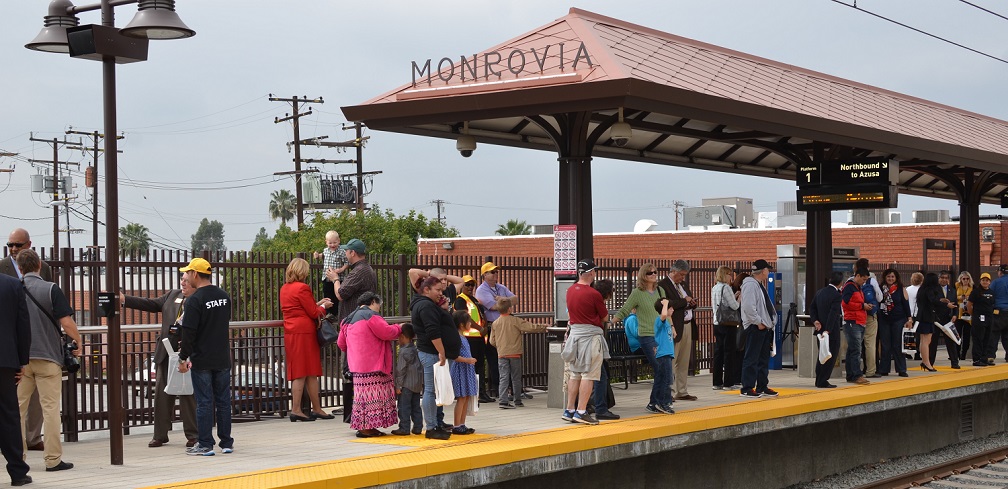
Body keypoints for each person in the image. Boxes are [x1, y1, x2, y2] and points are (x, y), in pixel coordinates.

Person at [17, 248, 81, 471]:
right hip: (48, 358)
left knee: (18, 409)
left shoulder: (14, 289)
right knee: (51, 409)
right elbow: (67, 323)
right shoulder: (51, 289)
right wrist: (78, 342)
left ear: (20, 268)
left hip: (20, 361)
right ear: (38, 266)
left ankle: (18, 459)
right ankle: (53, 460)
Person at [120, 275, 199, 447]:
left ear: (195, 280)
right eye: (181, 279)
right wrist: (125, 299)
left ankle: (193, 436)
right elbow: (151, 303)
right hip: (166, 353)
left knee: (188, 396)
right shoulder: (173, 295)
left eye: (186, 280)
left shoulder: (199, 298)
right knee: (162, 396)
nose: (182, 283)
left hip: (188, 354)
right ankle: (160, 435)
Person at [177, 257, 234, 456]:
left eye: (187, 273)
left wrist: (183, 359)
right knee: (223, 401)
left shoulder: (194, 300)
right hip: (222, 357)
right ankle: (226, 442)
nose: (185, 278)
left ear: (195, 274)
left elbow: (189, 333)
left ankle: (205, 444)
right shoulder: (224, 296)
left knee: (204, 402)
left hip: (201, 359)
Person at [1, 228, 49, 453]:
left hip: (38, 339)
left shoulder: (44, 269)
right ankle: (14, 442)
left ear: (28, 244)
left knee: (38, 397)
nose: (13, 249)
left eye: (17, 245)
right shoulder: (2, 267)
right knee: (15, 397)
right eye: (10, 245)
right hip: (11, 341)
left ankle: (33, 437)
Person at [337, 292, 401, 438]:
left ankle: (367, 427)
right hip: (374, 364)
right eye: (379, 304)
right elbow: (387, 332)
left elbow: (341, 343)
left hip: (356, 367)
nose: (379, 308)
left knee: (363, 398)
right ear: (373, 302)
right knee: (374, 397)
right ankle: (367, 428)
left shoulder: (347, 319)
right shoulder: (372, 316)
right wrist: (399, 327)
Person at [279, 258, 334, 422]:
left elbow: (300, 307)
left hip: (292, 331)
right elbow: (313, 313)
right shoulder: (303, 287)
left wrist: (318, 303)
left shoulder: (285, 288)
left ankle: (315, 409)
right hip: (304, 333)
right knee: (305, 372)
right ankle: (298, 409)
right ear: (302, 272)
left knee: (306, 371)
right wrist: (324, 307)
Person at [613, 264, 673, 413]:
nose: (653, 274)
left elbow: (666, 312)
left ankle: (657, 402)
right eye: (649, 273)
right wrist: (610, 322)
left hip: (661, 335)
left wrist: (672, 328)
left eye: (655, 272)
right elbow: (625, 309)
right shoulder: (637, 293)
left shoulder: (661, 290)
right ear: (643, 276)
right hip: (646, 336)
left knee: (665, 368)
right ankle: (660, 402)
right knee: (661, 368)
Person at [329, 238, 377, 421]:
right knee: (356, 368)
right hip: (361, 324)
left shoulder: (359, 271)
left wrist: (335, 279)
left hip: (353, 326)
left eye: (347, 252)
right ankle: (355, 409)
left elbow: (341, 294)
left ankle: (351, 411)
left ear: (353, 253)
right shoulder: (367, 270)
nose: (345, 254)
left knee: (349, 368)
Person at [411, 276, 462, 440]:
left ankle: (435, 424)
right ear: (427, 289)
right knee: (431, 391)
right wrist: (441, 351)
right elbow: (433, 331)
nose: (441, 293)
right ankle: (431, 426)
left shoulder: (427, 304)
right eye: (438, 290)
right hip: (431, 352)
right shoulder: (425, 306)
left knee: (433, 390)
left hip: (433, 352)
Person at [560, 259, 609, 425]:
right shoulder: (594, 294)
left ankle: (569, 409)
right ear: (592, 273)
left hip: (575, 336)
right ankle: (581, 411)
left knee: (575, 374)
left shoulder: (570, 290)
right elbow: (604, 317)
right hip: (591, 337)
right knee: (589, 375)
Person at [0, 272, 31, 486]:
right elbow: (23, 326)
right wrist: (21, 361)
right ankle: (18, 472)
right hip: (5, 360)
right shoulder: (12, 285)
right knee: (9, 416)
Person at [488, 297, 546, 410]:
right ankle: (517, 400)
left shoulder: (495, 323)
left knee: (503, 377)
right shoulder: (515, 321)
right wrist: (544, 327)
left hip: (502, 354)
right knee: (516, 377)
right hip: (515, 354)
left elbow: (492, 341)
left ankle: (503, 401)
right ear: (509, 309)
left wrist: (500, 347)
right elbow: (530, 327)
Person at [474, 261, 516, 399]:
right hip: (493, 326)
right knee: (494, 358)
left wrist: (502, 299)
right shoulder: (481, 290)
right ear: (484, 275)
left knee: (508, 356)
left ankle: (509, 388)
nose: (495, 274)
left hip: (505, 326)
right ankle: (499, 389)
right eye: (492, 272)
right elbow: (494, 307)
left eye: (496, 271)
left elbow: (515, 299)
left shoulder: (501, 287)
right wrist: (504, 302)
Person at [658, 260, 698, 401]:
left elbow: (687, 299)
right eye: (681, 275)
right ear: (673, 271)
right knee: (671, 359)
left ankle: (682, 391)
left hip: (687, 324)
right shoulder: (662, 285)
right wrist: (684, 301)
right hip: (674, 325)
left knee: (684, 360)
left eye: (684, 275)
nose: (683, 278)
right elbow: (665, 303)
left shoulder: (683, 285)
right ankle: (668, 391)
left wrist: (692, 302)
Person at [739, 259, 779, 398]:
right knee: (752, 358)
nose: (769, 272)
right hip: (755, 327)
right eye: (768, 269)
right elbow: (748, 307)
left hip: (763, 327)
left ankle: (762, 386)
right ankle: (747, 388)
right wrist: (758, 322)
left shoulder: (758, 284)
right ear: (762, 271)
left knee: (762, 358)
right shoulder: (750, 285)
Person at [453, 275, 493, 403]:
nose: (470, 287)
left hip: (479, 338)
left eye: (472, 285)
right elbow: (464, 317)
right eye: (467, 284)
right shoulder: (460, 300)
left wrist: (485, 327)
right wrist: (480, 328)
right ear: (462, 286)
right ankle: (474, 393)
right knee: (472, 366)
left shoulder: (474, 300)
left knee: (480, 365)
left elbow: (482, 316)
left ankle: (481, 392)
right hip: (468, 337)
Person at [590, 278, 619, 420]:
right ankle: (600, 408)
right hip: (595, 342)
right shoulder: (597, 300)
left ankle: (581, 406)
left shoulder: (585, 298)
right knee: (600, 376)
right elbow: (605, 317)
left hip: (581, 341)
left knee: (583, 376)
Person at [810, 272, 844, 388]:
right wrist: (828, 330)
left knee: (822, 354)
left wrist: (815, 321)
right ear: (840, 282)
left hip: (819, 329)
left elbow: (812, 307)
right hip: (830, 331)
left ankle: (819, 379)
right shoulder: (836, 295)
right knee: (830, 355)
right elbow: (833, 314)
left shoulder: (820, 292)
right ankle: (823, 380)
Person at [710, 266, 740, 390]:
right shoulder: (726, 287)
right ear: (725, 275)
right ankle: (728, 382)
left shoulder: (715, 287)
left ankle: (717, 382)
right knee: (729, 353)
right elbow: (734, 306)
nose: (731, 277)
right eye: (729, 275)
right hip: (728, 324)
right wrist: (738, 298)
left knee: (718, 353)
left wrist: (733, 295)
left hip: (717, 322)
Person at [877, 269, 911, 377]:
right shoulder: (880, 288)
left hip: (899, 319)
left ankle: (901, 369)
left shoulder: (901, 288)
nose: (890, 279)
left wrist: (909, 319)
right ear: (885, 277)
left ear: (896, 278)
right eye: (888, 277)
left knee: (898, 344)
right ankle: (884, 369)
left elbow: (906, 304)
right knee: (885, 345)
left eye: (892, 277)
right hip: (884, 320)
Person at [449, 311, 478, 435]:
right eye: (468, 321)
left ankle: (462, 424)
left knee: (466, 396)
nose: (470, 323)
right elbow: (454, 356)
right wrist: (467, 360)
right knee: (461, 397)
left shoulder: (462, 337)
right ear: (461, 324)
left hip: (466, 368)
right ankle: (457, 425)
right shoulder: (457, 338)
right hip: (461, 368)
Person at [391, 323, 423, 436]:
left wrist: (398, 386)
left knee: (404, 407)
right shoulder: (416, 349)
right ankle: (418, 427)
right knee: (416, 407)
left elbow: (401, 370)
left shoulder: (403, 352)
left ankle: (404, 428)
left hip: (405, 384)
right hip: (416, 383)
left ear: (403, 336)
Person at [842, 268, 872, 385]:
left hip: (859, 320)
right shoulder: (850, 287)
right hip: (852, 321)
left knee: (852, 349)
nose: (864, 282)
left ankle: (851, 374)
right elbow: (845, 303)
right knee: (856, 350)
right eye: (863, 279)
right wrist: (862, 306)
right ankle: (856, 375)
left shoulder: (857, 287)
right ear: (858, 276)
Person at [855, 258, 882, 379]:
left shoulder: (851, 281)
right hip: (870, 315)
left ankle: (855, 370)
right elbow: (880, 297)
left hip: (855, 316)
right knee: (870, 343)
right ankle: (870, 370)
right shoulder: (871, 280)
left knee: (856, 344)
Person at [649, 297, 676, 414]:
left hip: (667, 354)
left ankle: (653, 402)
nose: (673, 310)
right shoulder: (659, 320)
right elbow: (664, 315)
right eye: (670, 308)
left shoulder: (666, 322)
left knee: (660, 379)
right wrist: (665, 303)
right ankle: (663, 402)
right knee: (666, 379)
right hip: (663, 355)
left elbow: (667, 318)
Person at [313, 230, 348, 315]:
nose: (332, 245)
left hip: (338, 278)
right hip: (326, 277)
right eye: (330, 243)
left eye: (334, 243)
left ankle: (336, 313)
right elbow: (323, 256)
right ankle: (328, 313)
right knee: (327, 296)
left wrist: (341, 269)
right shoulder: (326, 250)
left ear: (339, 241)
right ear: (326, 242)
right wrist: (318, 256)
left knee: (336, 296)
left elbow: (347, 263)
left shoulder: (341, 252)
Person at [915, 272, 943, 372]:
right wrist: (943, 302)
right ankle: (926, 362)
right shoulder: (930, 290)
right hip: (927, 317)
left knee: (924, 340)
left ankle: (925, 360)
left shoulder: (921, 289)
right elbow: (933, 301)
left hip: (922, 316)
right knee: (926, 341)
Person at [933, 271, 961, 368]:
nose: (944, 280)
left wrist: (955, 315)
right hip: (936, 319)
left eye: (946, 278)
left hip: (948, 319)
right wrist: (945, 304)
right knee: (933, 342)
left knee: (951, 341)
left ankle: (954, 363)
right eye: (942, 278)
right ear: (939, 278)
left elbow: (956, 304)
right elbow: (933, 302)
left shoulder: (952, 290)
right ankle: (930, 363)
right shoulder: (934, 289)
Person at [967, 272, 995, 366]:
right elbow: (969, 305)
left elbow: (992, 304)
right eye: (983, 280)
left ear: (989, 282)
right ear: (980, 281)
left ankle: (984, 358)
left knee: (987, 338)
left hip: (989, 318)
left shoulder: (991, 292)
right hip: (979, 318)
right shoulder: (976, 292)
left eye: (987, 280)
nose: (985, 282)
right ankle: (976, 359)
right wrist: (974, 315)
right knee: (978, 338)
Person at [955, 272, 974, 361]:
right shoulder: (957, 286)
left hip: (968, 313)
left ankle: (964, 354)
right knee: (957, 334)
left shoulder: (972, 288)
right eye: (964, 279)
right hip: (959, 313)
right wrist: (960, 297)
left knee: (966, 335)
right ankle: (957, 352)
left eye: (967, 279)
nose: (966, 280)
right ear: (961, 279)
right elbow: (954, 296)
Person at [991, 265, 1008, 364]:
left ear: (1000, 272)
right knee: (1007, 336)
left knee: (994, 334)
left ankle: (991, 355)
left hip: (998, 312)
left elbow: (991, 295)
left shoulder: (996, 282)